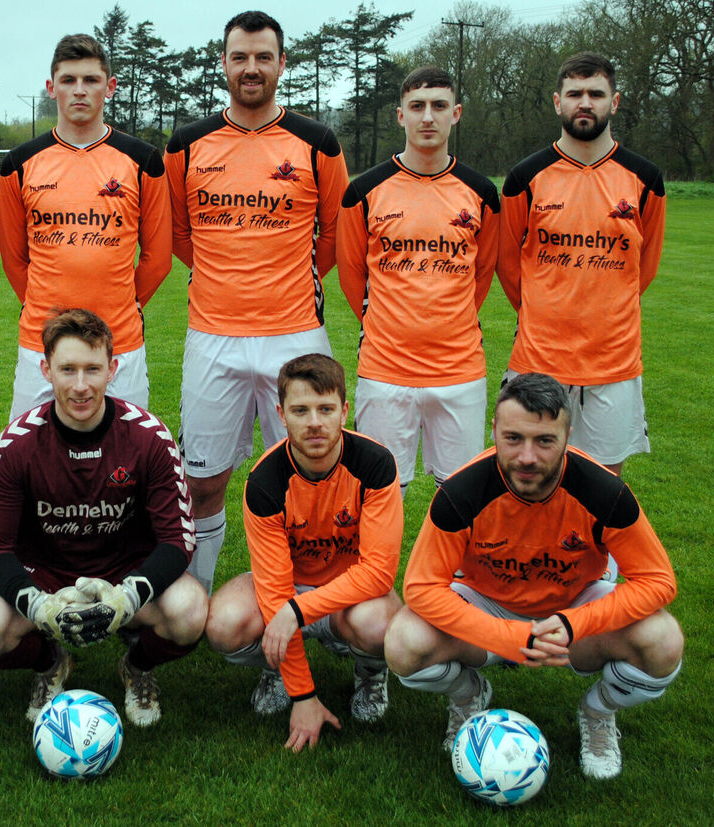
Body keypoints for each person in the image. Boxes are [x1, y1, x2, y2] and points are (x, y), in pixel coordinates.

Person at [385, 373, 683, 780]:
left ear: (567, 435)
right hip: (486, 603)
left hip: (574, 605)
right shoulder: (461, 493)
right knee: (404, 643)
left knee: (663, 642)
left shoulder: (604, 492)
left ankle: (598, 713)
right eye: (513, 438)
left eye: (544, 440)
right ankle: (469, 696)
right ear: (494, 432)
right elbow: (420, 588)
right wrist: (507, 637)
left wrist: (573, 622)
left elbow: (658, 580)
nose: (528, 456)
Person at [164, 11, 350, 593]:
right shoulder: (187, 144)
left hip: (294, 334)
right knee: (203, 479)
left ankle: (301, 597)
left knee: (306, 472)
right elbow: (178, 233)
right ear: (223, 63)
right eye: (240, 57)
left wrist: (286, 278)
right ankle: (195, 597)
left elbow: (334, 234)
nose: (251, 68)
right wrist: (225, 276)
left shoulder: (317, 142)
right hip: (212, 335)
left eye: (263, 57)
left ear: (281, 64)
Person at [0, 309, 206, 727]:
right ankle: (50, 662)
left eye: (92, 369)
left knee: (190, 612)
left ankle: (137, 666)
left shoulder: (149, 436)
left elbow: (177, 539)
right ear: (46, 370)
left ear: (112, 369)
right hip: (45, 576)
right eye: (67, 369)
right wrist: (37, 605)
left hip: (123, 573)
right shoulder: (16, 444)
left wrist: (128, 596)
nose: (80, 386)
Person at [205, 354, 402, 752]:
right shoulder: (265, 482)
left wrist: (295, 613)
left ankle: (370, 672)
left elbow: (379, 573)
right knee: (224, 623)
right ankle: (278, 669)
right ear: (281, 414)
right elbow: (276, 591)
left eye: (326, 409)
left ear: (344, 411)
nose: (314, 422)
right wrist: (303, 695)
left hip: (351, 592)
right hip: (291, 588)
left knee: (383, 628)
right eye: (300, 410)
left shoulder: (375, 465)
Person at [497, 52, 665, 477]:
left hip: (614, 361)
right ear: (558, 102)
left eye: (595, 93)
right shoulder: (526, 177)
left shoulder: (645, 178)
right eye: (575, 94)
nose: (584, 102)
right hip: (539, 358)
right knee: (529, 473)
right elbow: (506, 264)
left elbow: (644, 268)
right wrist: (543, 308)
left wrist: (604, 308)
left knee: (604, 481)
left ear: (615, 101)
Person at [337, 67, 498, 497]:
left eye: (439, 106)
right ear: (400, 116)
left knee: (463, 500)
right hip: (385, 370)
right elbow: (353, 275)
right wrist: (388, 322)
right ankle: (379, 570)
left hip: (459, 372)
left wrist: (448, 318)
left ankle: (452, 570)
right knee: (381, 497)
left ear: (456, 113)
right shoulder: (365, 190)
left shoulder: (481, 192)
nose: (429, 117)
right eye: (418, 106)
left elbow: (482, 275)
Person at [0, 34, 171, 422]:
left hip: (120, 342)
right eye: (69, 80)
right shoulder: (19, 163)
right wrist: (46, 307)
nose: (79, 91)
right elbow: (13, 259)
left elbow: (158, 259)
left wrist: (120, 304)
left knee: (126, 461)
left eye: (91, 80)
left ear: (109, 87)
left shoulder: (142, 160)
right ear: (51, 87)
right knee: (27, 459)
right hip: (40, 342)